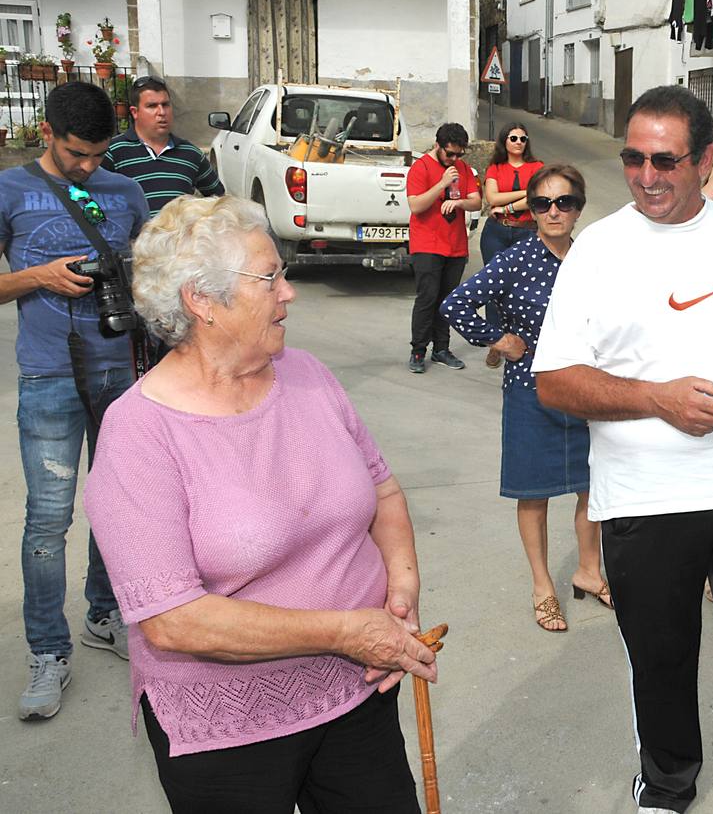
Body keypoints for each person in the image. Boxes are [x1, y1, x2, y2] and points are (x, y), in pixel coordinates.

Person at [83, 194, 435, 812]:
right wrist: (347, 632)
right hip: (231, 728)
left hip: (358, 690)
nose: (289, 292)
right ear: (202, 300)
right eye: (270, 277)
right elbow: (173, 619)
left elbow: (382, 490)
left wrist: (399, 594)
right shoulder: (139, 431)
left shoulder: (308, 375)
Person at [532, 85, 713, 814]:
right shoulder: (599, 249)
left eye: (664, 160)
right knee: (662, 667)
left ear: (704, 160)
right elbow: (553, 381)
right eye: (632, 157)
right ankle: (666, 786)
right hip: (646, 501)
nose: (645, 175)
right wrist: (651, 398)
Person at [0, 82, 149, 720]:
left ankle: (105, 614)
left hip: (122, 374)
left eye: (98, 154)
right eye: (75, 154)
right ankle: (47, 651)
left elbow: (153, 274)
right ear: (47, 133)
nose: (89, 166)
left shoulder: (126, 191)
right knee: (46, 522)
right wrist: (38, 276)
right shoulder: (8, 189)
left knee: (115, 509)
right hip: (48, 376)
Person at [442, 163, 607, 633]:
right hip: (530, 393)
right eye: (543, 203)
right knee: (534, 494)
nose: (554, 211)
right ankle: (542, 586)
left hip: (587, 390)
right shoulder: (516, 259)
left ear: (578, 206)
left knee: (592, 488)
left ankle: (589, 572)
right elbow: (454, 305)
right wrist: (498, 339)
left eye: (565, 202)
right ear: (531, 209)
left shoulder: (590, 259)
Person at [405, 121, 481, 374]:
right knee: (427, 298)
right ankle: (418, 350)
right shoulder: (421, 168)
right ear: (437, 146)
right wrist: (441, 183)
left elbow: (476, 201)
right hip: (427, 243)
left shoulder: (463, 169)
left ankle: (441, 349)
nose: (454, 159)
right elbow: (416, 205)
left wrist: (460, 205)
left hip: (455, 245)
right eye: (450, 153)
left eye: (459, 154)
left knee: (447, 301)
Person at [101, 75, 224, 217]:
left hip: (176, 238)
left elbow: (220, 201)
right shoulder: (113, 152)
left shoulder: (191, 154)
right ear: (135, 112)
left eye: (165, 105)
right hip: (132, 238)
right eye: (152, 106)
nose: (161, 112)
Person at [480, 122, 543, 367]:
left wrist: (506, 206)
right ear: (504, 141)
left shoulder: (537, 167)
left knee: (524, 288)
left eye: (523, 139)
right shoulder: (495, 168)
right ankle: (496, 342)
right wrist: (523, 195)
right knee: (494, 287)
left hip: (525, 232)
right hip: (496, 232)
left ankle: (523, 340)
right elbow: (491, 198)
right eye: (513, 138)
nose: (518, 142)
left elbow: (537, 198)